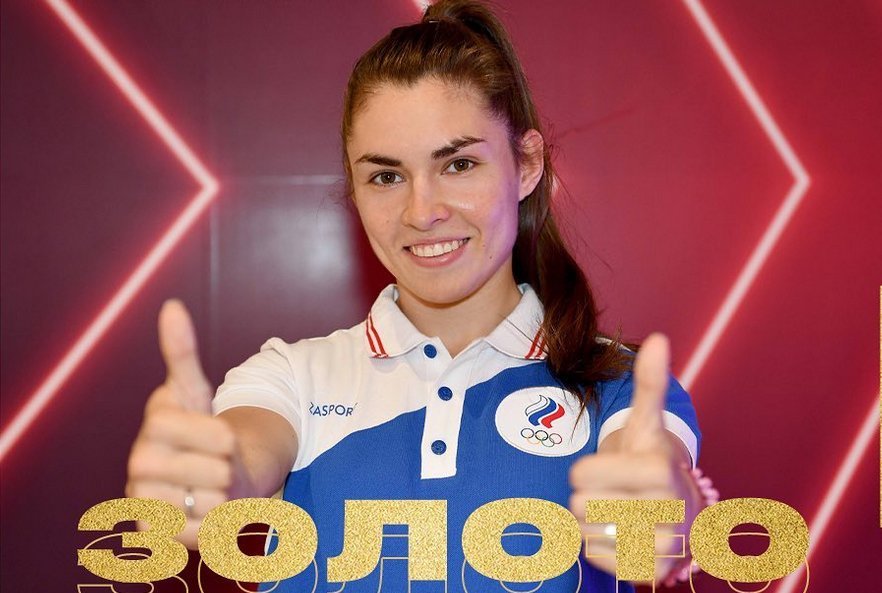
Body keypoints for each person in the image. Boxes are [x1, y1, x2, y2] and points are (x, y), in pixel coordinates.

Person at [126, 1, 710, 591]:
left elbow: (658, 509)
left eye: (458, 164)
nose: (422, 211)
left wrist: (654, 512)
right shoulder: (292, 377)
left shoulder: (620, 386)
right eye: (386, 176)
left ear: (527, 165)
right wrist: (204, 481)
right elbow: (239, 463)